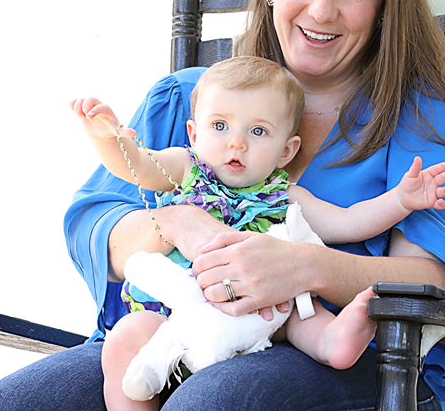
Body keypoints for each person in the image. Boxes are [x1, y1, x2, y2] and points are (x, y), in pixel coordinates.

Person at [0, 0, 445, 411]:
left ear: (383, 6)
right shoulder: (189, 97)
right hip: (168, 331)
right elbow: (92, 223)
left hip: (339, 355)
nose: (322, 10)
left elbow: (425, 279)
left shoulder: (419, 116)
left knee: (209, 401)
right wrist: (180, 223)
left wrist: (304, 267)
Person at [71, 55, 445, 411]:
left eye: (258, 131)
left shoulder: (287, 196)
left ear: (287, 150)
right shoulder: (187, 168)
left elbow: (348, 222)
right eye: (220, 126)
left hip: (265, 317)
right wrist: (108, 138)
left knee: (304, 314)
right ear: (194, 133)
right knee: (125, 339)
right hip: (175, 313)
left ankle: (334, 343)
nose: (237, 142)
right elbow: (135, 163)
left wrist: (400, 200)